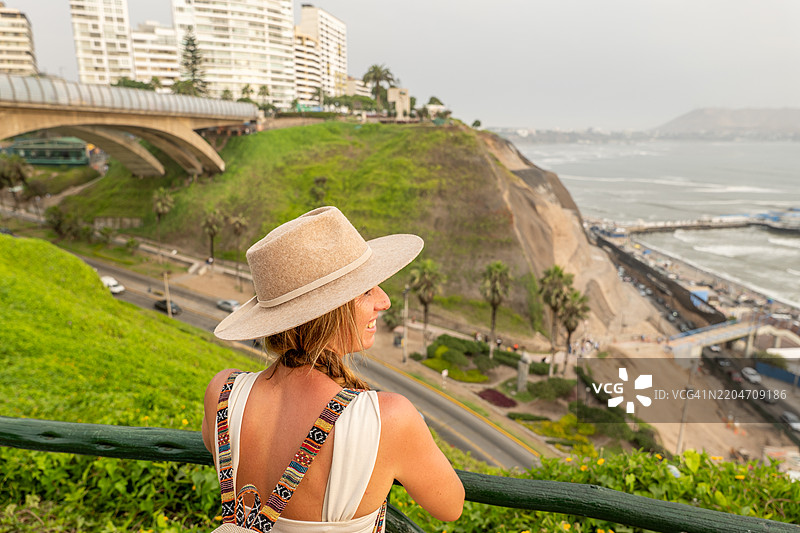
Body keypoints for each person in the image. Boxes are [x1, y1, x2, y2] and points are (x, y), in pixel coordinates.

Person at [202, 206, 464, 532]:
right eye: (367, 289)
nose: (384, 301)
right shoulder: (388, 418)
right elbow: (450, 506)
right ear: (330, 311)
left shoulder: (222, 393)